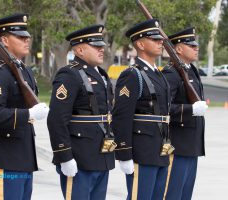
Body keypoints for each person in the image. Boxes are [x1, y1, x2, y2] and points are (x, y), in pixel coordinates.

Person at [0, 13, 49, 200]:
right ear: (4, 40)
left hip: (22, 158)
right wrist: (28, 114)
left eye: (27, 36)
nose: (27, 39)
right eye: (20, 36)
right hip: (5, 159)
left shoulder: (23, 70)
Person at [47, 24, 115, 200]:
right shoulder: (69, 75)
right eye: (96, 46)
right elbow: (56, 119)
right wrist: (64, 156)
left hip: (101, 156)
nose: (101, 49)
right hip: (79, 158)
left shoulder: (100, 74)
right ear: (80, 50)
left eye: (102, 45)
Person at [112, 19, 173, 200]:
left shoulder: (158, 74)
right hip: (143, 152)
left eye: (160, 39)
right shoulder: (132, 75)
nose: (160, 42)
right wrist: (124, 154)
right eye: (154, 39)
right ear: (140, 44)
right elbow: (121, 117)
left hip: (161, 149)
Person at [162, 27, 207, 200]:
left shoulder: (192, 70)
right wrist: (190, 110)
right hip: (177, 146)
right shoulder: (171, 73)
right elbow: (163, 108)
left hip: (191, 145)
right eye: (191, 45)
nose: (196, 48)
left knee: (185, 195)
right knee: (172, 194)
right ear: (178, 49)